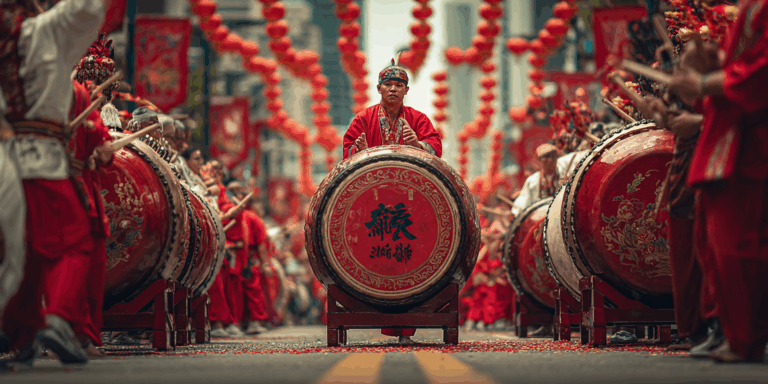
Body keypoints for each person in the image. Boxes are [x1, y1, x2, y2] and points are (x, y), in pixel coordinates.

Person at [0, 0, 107, 366]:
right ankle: (59, 319)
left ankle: (20, 332)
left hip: (4, 159)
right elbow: (88, 7)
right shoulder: (42, 31)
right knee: (73, 242)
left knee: (21, 253)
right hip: (39, 158)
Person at [667, 0, 768, 363]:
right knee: (716, 245)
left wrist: (707, 81)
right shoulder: (750, 10)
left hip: (749, 141)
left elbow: (758, 73)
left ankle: (743, 336)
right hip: (730, 139)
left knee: (736, 245)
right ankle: (733, 333)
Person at [341, 57, 442, 344]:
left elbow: (436, 147)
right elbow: (347, 152)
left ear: (407, 90)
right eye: (389, 85)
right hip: (372, 205)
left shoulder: (419, 119)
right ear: (378, 88)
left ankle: (405, 330)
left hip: (410, 206)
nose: (394, 89)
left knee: (408, 263)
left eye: (399, 85)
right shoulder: (363, 119)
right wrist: (356, 151)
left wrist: (417, 145)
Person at [511, 143, 560, 217]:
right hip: (541, 218)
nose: (550, 160)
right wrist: (514, 213)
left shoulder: (565, 173)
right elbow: (523, 202)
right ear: (540, 161)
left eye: (553, 157)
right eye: (546, 158)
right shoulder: (532, 181)